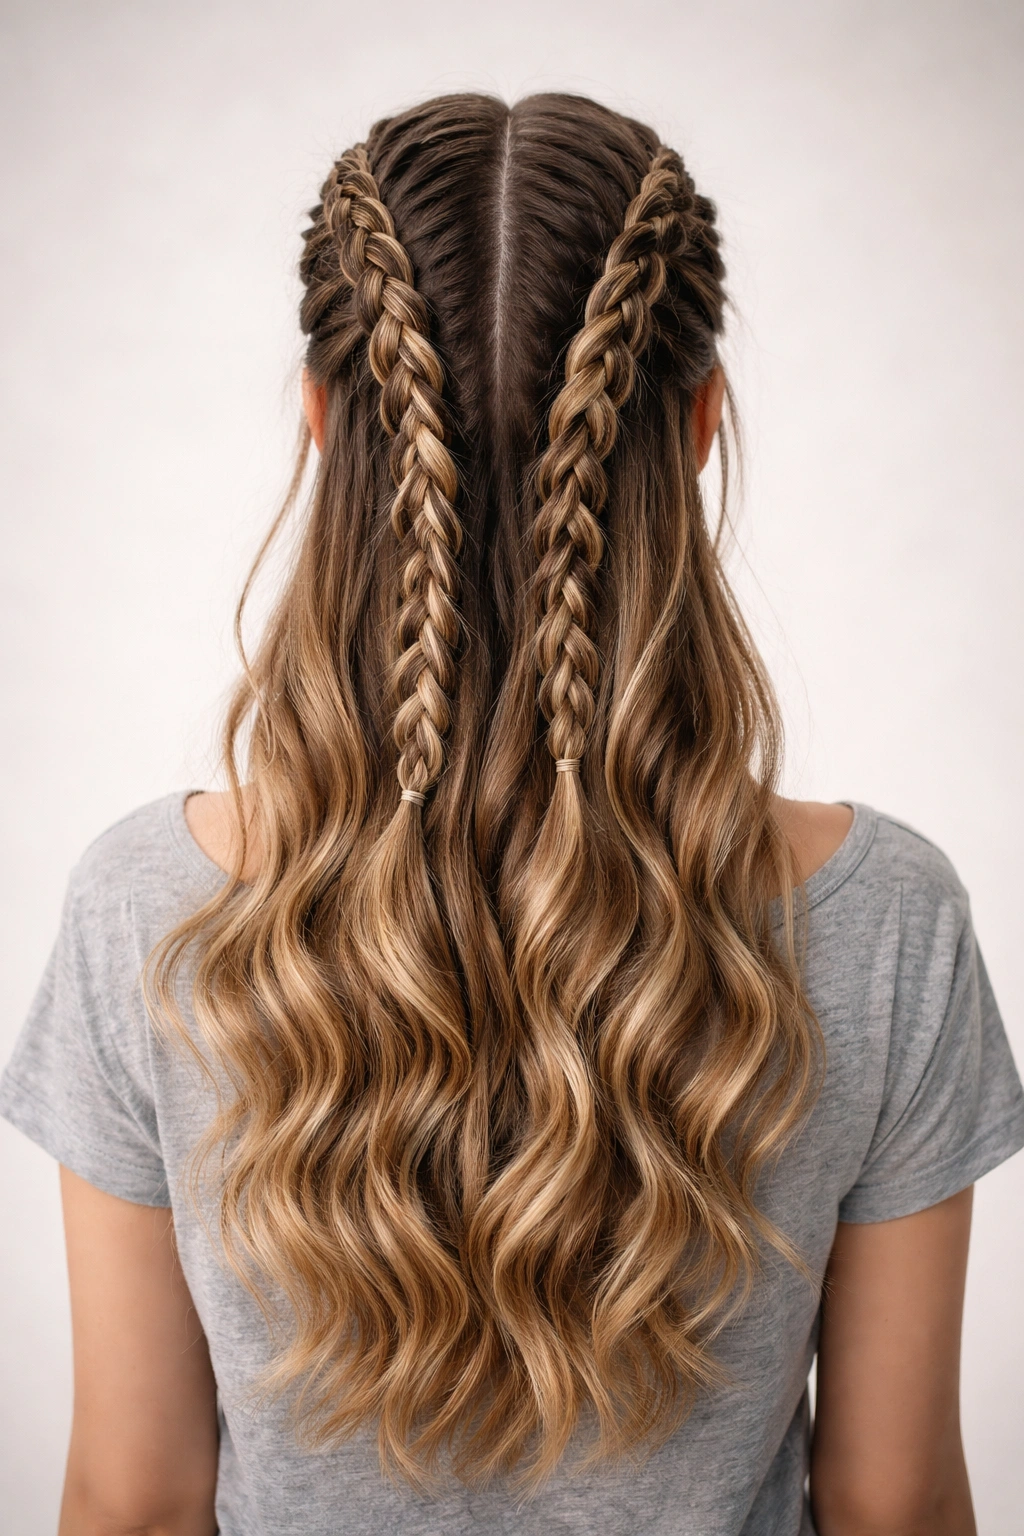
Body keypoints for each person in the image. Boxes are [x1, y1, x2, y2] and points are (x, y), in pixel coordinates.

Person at [2, 91, 1022, 1536]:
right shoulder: (886, 921)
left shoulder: (149, 909)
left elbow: (132, 1503)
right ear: (701, 427)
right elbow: (895, 1505)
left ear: (317, 423)